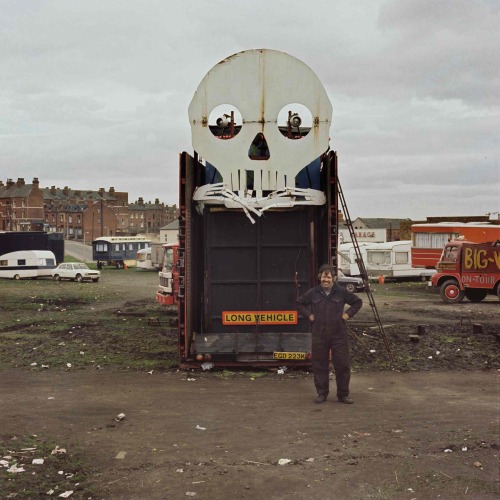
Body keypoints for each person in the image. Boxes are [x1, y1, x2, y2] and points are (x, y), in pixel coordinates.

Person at [296, 264, 362, 404]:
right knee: (320, 365)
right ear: (320, 277)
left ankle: (343, 394)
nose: (326, 280)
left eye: (329, 277)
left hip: (339, 334)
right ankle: (322, 393)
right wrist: (309, 315)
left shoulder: (341, 292)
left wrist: (347, 315)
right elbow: (299, 303)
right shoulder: (313, 292)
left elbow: (357, 302)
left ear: (334, 278)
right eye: (324, 277)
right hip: (319, 334)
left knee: (342, 364)